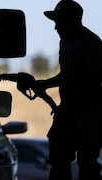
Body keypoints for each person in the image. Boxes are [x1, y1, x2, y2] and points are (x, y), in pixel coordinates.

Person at [31, 0, 102, 179]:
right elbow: (67, 74)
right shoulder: (66, 42)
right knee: (58, 157)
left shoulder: (92, 44)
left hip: (89, 113)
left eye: (59, 22)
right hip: (69, 110)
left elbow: (86, 79)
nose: (56, 28)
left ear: (72, 22)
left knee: (87, 163)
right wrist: (45, 84)